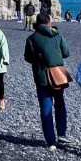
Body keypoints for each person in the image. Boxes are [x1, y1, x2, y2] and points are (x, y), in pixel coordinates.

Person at [24, 12, 71, 150]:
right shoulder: (57, 35)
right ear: (49, 22)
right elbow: (66, 53)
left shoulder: (32, 38)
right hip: (58, 75)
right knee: (60, 104)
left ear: (37, 23)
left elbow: (27, 57)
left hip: (42, 76)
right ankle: (61, 133)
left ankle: (51, 141)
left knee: (46, 108)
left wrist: (38, 59)